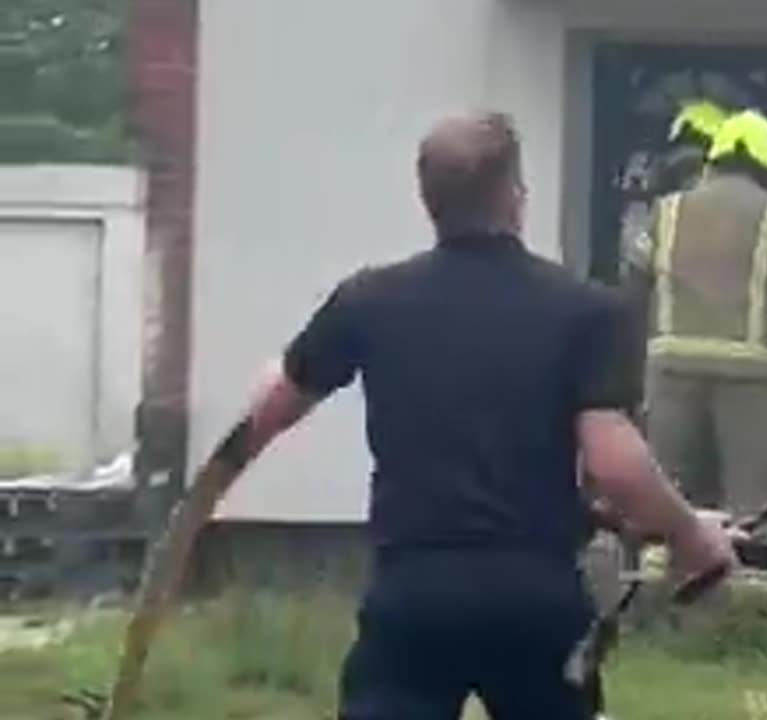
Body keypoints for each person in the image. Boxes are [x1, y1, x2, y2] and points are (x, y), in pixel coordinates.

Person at [101, 111, 735, 720]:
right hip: (532, 594)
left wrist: (201, 502)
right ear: (516, 195)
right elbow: (614, 463)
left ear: (427, 198)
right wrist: (691, 537)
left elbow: (272, 406)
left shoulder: (370, 300)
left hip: (414, 593)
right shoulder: (586, 311)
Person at [621, 108, 767, 520]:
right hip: (750, 375)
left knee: (668, 495)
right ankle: (746, 580)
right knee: (751, 505)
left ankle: (660, 577)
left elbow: (634, 282)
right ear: (766, 161)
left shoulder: (668, 210)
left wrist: (640, 353)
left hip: (671, 371)